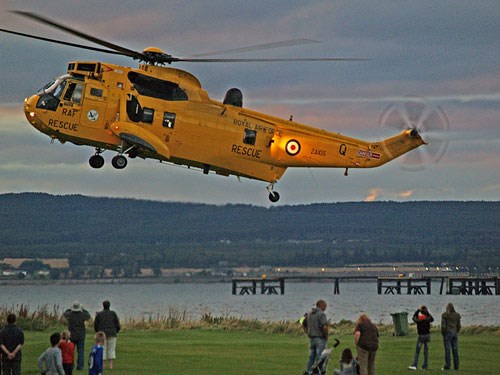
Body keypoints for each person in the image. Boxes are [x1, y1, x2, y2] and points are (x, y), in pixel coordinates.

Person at [302, 299, 329, 375]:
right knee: (320, 357)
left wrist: (307, 332)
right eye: (325, 307)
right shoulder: (321, 314)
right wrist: (326, 336)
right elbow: (324, 327)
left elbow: (303, 324)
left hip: (311, 339)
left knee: (311, 357)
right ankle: (318, 372)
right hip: (320, 338)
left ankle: (309, 371)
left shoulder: (309, 314)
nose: (325, 309)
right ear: (322, 306)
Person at [63, 301, 91, 371]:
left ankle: (71, 364)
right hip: (81, 335)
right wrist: (83, 309)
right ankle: (80, 366)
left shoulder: (70, 314)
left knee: (70, 351)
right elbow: (88, 315)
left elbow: (65, 313)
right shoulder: (82, 315)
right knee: (81, 351)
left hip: (71, 335)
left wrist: (70, 309)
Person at [94, 300, 121, 370]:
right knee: (111, 349)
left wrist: (98, 332)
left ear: (103, 305)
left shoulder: (99, 314)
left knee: (103, 348)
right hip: (112, 333)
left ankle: (103, 365)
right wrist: (116, 331)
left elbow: (96, 325)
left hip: (102, 334)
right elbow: (117, 324)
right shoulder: (113, 313)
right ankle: (111, 365)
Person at [408, 305, 434, 370]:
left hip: (421, 336)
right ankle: (425, 366)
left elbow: (413, 317)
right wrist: (427, 312)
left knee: (417, 352)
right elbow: (432, 319)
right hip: (427, 335)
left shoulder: (419, 319)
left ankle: (415, 365)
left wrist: (418, 310)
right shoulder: (427, 319)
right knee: (426, 352)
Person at [441, 303, 461, 370]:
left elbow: (443, 326)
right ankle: (456, 366)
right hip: (454, 332)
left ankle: (447, 365)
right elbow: (459, 326)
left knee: (447, 350)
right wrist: (456, 331)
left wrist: (443, 333)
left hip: (448, 332)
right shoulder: (457, 315)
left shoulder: (445, 315)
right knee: (455, 350)